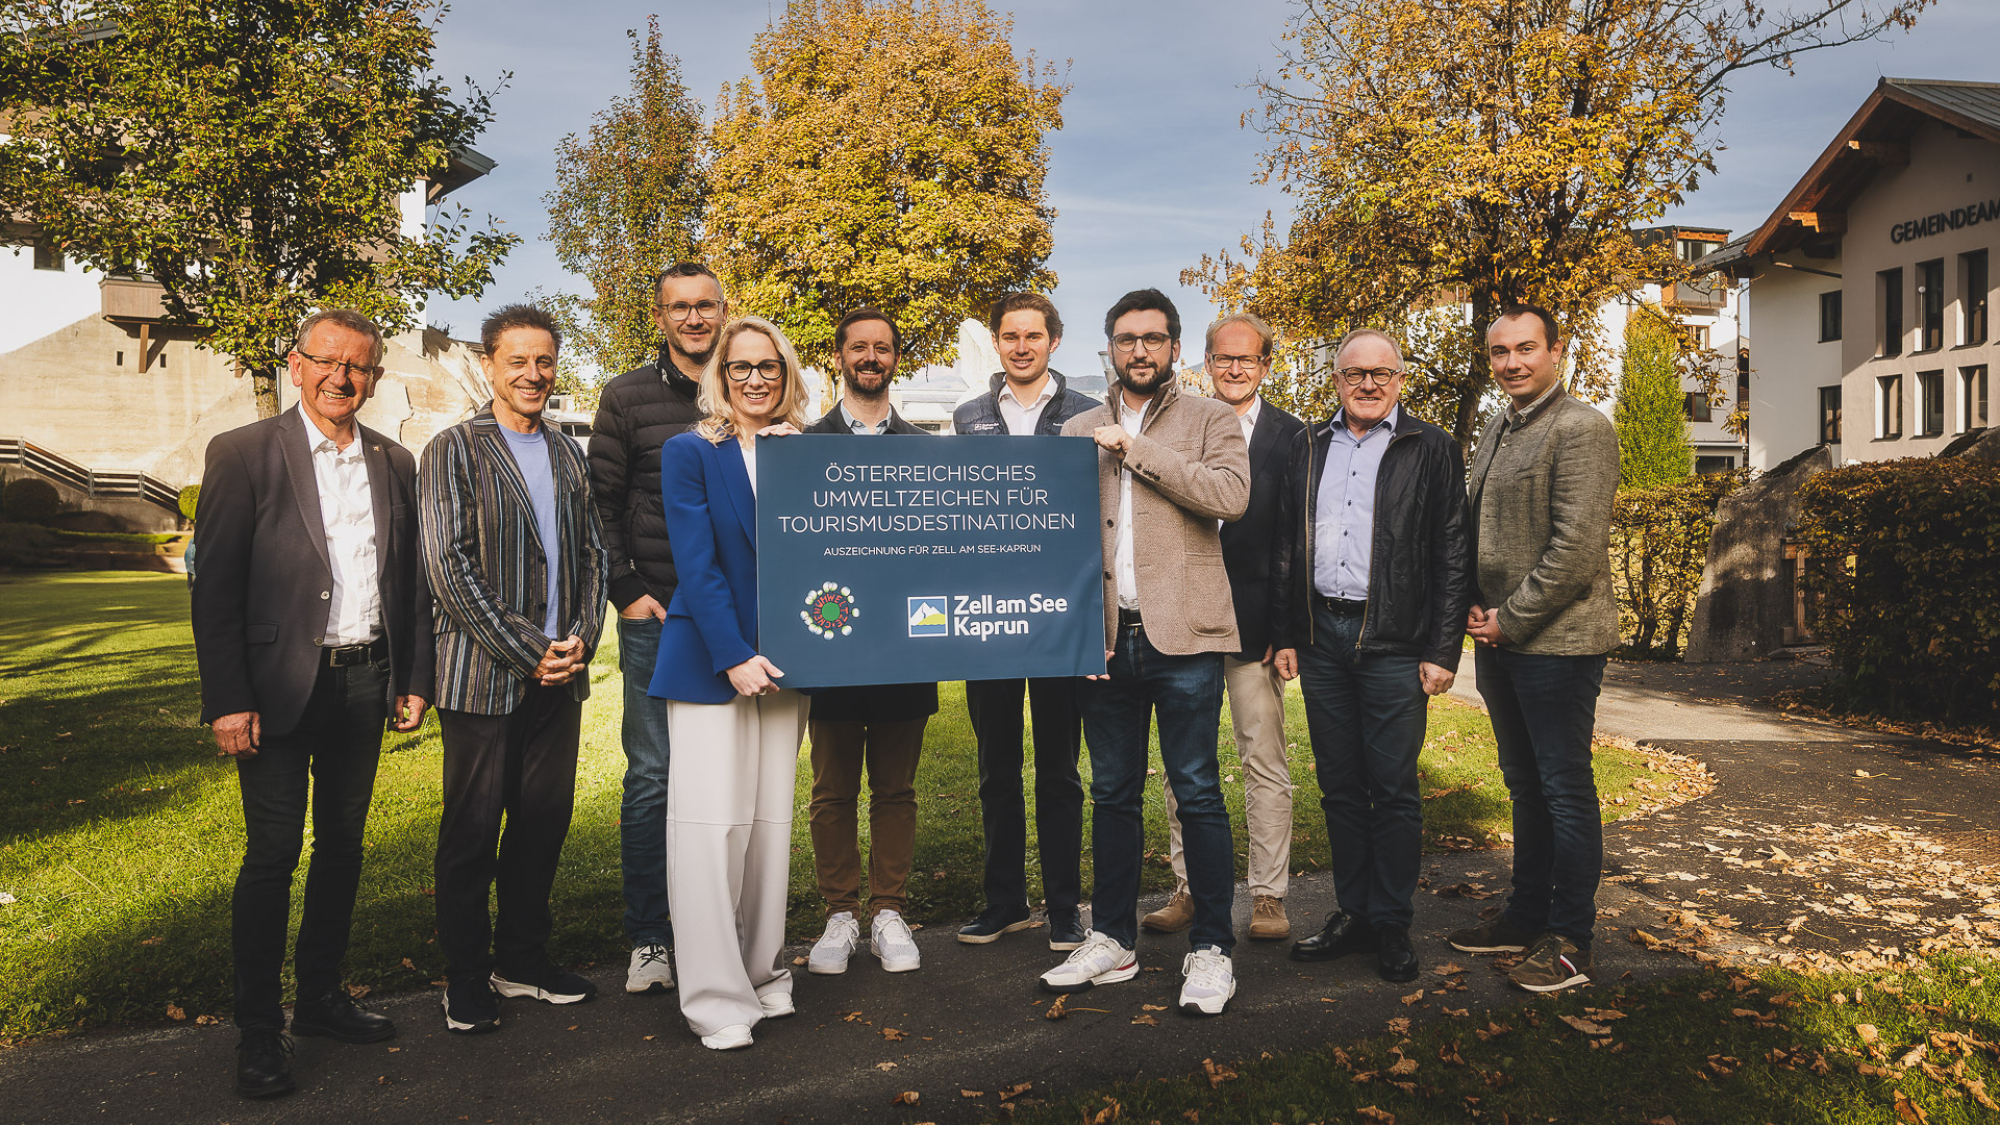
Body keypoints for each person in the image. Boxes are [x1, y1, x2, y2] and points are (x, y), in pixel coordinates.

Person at [191, 309, 432, 1098]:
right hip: (274, 690)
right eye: (326, 360)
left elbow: (409, 580)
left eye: (357, 365)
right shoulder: (243, 453)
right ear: (295, 366)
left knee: (342, 847)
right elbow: (215, 587)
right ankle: (260, 1029)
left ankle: (322, 998)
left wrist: (413, 676)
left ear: (374, 377)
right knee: (272, 856)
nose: (340, 376)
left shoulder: (395, 460)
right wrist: (228, 698)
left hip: (365, 681)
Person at [1047, 289, 1250, 1016]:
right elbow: (1057, 537)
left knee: (1196, 789)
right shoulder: (1076, 429)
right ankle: (1112, 937)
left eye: (1153, 339)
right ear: (1108, 347)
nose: (1140, 350)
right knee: (1112, 792)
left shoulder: (1211, 418)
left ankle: (1213, 948)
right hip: (1105, 640)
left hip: (1185, 635)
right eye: (1127, 339)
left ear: (1174, 348)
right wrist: (1072, 631)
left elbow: (1229, 496)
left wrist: (1136, 449)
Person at [420, 304, 607, 1034]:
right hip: (484, 677)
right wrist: (531, 649)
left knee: (541, 826)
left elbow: (593, 556)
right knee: (472, 834)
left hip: (561, 676)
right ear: (488, 364)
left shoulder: (568, 453)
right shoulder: (453, 449)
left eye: (545, 361)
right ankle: (465, 978)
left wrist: (580, 638)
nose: (534, 374)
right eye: (518, 361)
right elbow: (449, 566)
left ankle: (523, 960)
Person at [1274, 329, 1471, 984]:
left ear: (1400, 380)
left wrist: (1443, 648)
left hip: (1394, 640)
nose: (1367, 384)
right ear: (1336, 379)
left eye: (1380, 373)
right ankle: (1353, 912)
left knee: (1392, 788)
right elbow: (1286, 545)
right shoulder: (1308, 445)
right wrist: (1286, 631)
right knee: (1340, 786)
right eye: (1354, 373)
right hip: (1321, 638)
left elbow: (1453, 552)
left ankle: (1390, 920)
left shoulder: (1431, 447)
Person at [647, 316, 813, 1051]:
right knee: (711, 830)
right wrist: (733, 654)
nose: (754, 379)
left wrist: (794, 467)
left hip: (789, 664)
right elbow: (696, 562)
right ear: (720, 375)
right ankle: (714, 998)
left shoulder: (802, 452)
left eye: (767, 366)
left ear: (786, 373)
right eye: (740, 366)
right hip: (713, 661)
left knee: (769, 829)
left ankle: (763, 972)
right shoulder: (689, 451)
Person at [1449, 303, 1619, 994]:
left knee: (1564, 788)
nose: (1512, 362)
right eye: (1500, 352)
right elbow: (1482, 528)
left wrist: (1510, 620)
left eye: (1525, 348)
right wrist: (1471, 601)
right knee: (1525, 784)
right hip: (1501, 638)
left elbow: (1575, 548)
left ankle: (1571, 939)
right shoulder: (1500, 424)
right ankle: (1525, 916)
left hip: (1557, 643)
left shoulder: (1581, 428)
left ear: (1555, 351)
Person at [1142, 313, 1305, 944]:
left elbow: (1295, 540)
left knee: (1263, 759)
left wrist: (1285, 628)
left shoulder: (1293, 436)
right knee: (1184, 766)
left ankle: (1269, 894)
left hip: (1253, 627)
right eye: (1223, 358)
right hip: (1182, 623)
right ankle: (1189, 886)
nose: (1235, 369)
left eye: (1248, 359)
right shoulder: (1177, 425)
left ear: (1266, 364)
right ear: (1205, 362)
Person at [950, 292, 1097, 950]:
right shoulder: (969, 416)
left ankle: (1065, 907)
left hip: (1060, 617)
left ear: (1053, 341)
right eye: (1009, 336)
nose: (1021, 346)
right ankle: (1004, 901)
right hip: (989, 618)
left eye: (1033, 336)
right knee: (996, 769)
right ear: (997, 342)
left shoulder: (1087, 413)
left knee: (1060, 771)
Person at [587, 262, 718, 995]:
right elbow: (600, 505)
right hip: (659, 615)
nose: (694, 318)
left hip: (735, 619)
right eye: (680, 307)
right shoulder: (626, 396)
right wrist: (627, 590)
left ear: (722, 311)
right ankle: (649, 937)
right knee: (654, 776)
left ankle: (717, 931)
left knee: (724, 778)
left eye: (705, 305)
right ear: (661, 316)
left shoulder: (746, 387)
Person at [800, 309, 938, 976]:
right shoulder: (801, 446)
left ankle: (887, 910)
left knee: (895, 789)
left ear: (895, 359)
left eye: (883, 347)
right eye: (859, 347)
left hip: (906, 647)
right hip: (827, 644)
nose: (871, 357)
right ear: (839, 357)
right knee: (832, 790)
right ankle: (839, 912)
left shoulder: (925, 449)